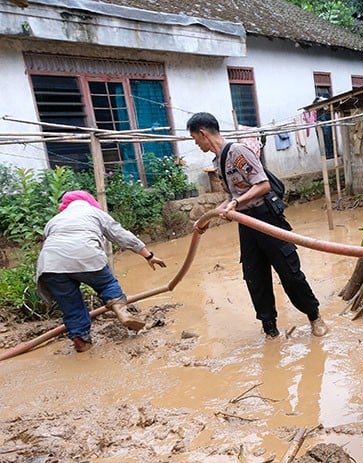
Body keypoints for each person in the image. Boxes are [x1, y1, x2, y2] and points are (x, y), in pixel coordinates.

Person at [186, 112, 328, 338]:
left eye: (195, 139)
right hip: (246, 224)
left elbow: (261, 185)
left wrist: (235, 202)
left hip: (266, 218)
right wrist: (208, 218)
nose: (196, 143)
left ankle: (314, 316)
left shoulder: (238, 153)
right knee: (254, 276)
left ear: (203, 134)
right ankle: (269, 328)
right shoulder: (218, 162)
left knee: (289, 272)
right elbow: (234, 195)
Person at [36, 190, 167, 353]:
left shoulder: (53, 221)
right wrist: (149, 256)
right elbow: (121, 236)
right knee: (106, 284)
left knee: (71, 305)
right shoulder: (95, 213)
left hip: (50, 264)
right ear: (89, 202)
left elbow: (47, 245)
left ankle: (80, 339)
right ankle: (121, 310)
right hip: (86, 254)